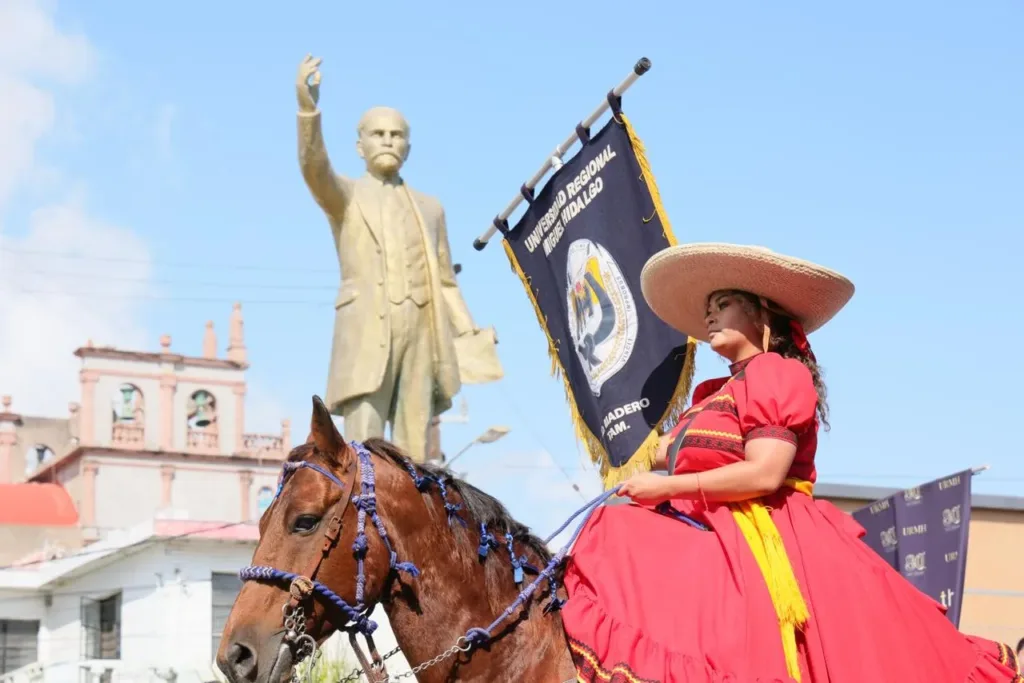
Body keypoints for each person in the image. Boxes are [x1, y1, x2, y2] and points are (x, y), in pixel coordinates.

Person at [561, 243, 1022, 682]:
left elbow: (765, 473)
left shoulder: (777, 372)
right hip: (711, 530)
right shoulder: (708, 397)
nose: (709, 313)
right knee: (611, 533)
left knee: (620, 536)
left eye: (724, 302)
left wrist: (665, 488)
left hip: (770, 536)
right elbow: (656, 454)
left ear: (763, 314)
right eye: (709, 306)